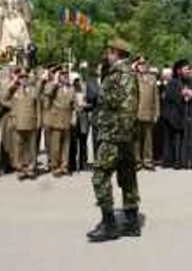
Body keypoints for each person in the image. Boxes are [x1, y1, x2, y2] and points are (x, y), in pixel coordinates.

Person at [87, 38, 140, 243]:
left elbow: (127, 107)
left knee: (100, 176)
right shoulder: (118, 73)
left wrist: (118, 136)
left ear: (116, 52)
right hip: (119, 134)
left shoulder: (123, 74)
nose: (106, 55)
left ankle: (110, 225)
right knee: (127, 177)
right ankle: (132, 222)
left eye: (109, 52)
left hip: (115, 135)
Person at [1, 68, 41, 180]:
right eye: (21, 78)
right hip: (18, 123)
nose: (23, 80)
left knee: (32, 147)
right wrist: (12, 85)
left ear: (28, 79)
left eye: (25, 78)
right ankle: (20, 169)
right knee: (19, 147)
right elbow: (3, 99)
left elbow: (38, 107)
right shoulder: (14, 90)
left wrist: (39, 121)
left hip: (31, 122)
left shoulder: (34, 90)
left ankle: (31, 168)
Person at [165, 59, 192, 169]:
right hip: (177, 115)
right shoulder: (173, 82)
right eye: (187, 69)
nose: (189, 71)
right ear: (179, 71)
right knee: (177, 139)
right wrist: (181, 94)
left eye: (190, 69)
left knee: (190, 138)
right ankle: (178, 161)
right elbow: (169, 98)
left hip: (190, 115)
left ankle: (191, 161)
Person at [44, 67, 75, 177]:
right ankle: (55, 167)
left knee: (66, 145)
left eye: (66, 74)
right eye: (62, 75)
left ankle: (64, 166)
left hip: (67, 118)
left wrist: (74, 116)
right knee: (55, 146)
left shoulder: (71, 88)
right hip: (56, 119)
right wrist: (55, 82)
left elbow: (73, 103)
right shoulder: (53, 86)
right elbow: (47, 93)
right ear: (58, 76)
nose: (65, 76)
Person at [133, 58, 160, 170]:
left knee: (148, 139)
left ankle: (147, 160)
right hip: (136, 112)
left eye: (144, 64)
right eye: (140, 64)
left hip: (149, 112)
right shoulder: (134, 78)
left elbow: (156, 98)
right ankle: (137, 161)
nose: (142, 66)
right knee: (137, 139)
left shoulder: (152, 79)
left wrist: (157, 112)